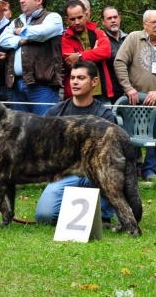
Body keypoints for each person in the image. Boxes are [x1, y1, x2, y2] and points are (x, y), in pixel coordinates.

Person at [35, 60, 116, 226]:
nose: (75, 82)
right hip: (65, 174)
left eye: (81, 78)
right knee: (44, 217)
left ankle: (103, 215)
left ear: (94, 82)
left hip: (94, 173)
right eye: (72, 78)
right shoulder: (55, 112)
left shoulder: (105, 115)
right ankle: (72, 213)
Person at [114, 9, 156, 181]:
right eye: (153, 22)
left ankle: (150, 171)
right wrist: (128, 88)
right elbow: (119, 62)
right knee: (129, 137)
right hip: (133, 99)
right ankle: (131, 170)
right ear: (144, 24)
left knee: (155, 137)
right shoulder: (134, 38)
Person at [0, 0, 63, 116]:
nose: (21, 0)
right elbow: (2, 40)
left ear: (39, 0)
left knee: (45, 130)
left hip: (43, 87)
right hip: (17, 85)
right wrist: (23, 40)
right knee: (21, 133)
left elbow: (42, 32)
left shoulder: (53, 18)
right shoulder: (17, 20)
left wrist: (18, 32)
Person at [61, 0, 113, 102]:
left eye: (80, 17)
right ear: (67, 19)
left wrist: (79, 56)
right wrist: (95, 53)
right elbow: (73, 64)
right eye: (72, 19)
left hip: (101, 92)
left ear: (87, 15)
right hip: (76, 95)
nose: (77, 22)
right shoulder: (65, 39)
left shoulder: (99, 33)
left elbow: (106, 53)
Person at [101, 6, 128, 104]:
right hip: (111, 92)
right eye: (109, 18)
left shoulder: (129, 39)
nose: (113, 20)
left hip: (132, 90)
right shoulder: (100, 40)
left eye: (115, 17)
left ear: (119, 18)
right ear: (103, 22)